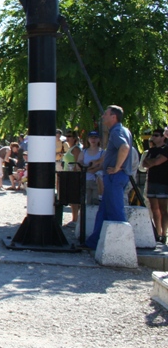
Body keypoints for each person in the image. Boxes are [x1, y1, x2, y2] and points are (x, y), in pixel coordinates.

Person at [85, 105, 134, 250]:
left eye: (106, 114)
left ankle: (120, 248)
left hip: (115, 176)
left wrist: (117, 167)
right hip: (115, 176)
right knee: (104, 211)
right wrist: (100, 162)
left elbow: (124, 148)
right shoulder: (123, 130)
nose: (103, 116)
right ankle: (94, 242)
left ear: (114, 117)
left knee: (115, 211)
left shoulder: (116, 131)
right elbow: (113, 151)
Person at [142, 127, 168, 243]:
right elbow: (144, 163)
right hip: (151, 181)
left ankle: (164, 234)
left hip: (162, 183)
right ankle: (157, 233)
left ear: (163, 137)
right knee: (154, 209)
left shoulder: (166, 149)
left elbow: (157, 161)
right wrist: (152, 162)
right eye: (153, 135)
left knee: (163, 209)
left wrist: (152, 162)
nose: (153, 137)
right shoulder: (151, 150)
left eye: (156, 135)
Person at [77, 131, 105, 205]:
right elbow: (78, 165)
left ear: (99, 139)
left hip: (97, 182)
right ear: (88, 139)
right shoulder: (84, 152)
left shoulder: (102, 152)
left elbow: (101, 166)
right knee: (86, 204)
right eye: (91, 137)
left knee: (97, 203)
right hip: (85, 181)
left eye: (95, 137)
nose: (93, 140)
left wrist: (87, 168)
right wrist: (90, 168)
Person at [62, 131, 83, 227]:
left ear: (74, 138)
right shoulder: (69, 148)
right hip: (68, 174)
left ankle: (75, 220)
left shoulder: (76, 149)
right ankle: (74, 218)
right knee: (71, 199)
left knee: (74, 199)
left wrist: (74, 175)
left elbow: (77, 163)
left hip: (73, 175)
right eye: (67, 136)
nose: (67, 138)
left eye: (69, 136)